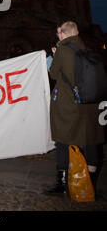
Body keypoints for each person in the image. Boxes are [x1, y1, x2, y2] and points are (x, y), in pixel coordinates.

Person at [45, 21, 105, 197]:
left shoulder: (63, 49)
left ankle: (62, 184)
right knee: (90, 141)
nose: (58, 36)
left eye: (59, 34)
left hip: (69, 104)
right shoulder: (87, 50)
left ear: (63, 35)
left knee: (63, 140)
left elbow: (54, 73)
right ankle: (90, 185)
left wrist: (53, 57)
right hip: (90, 103)